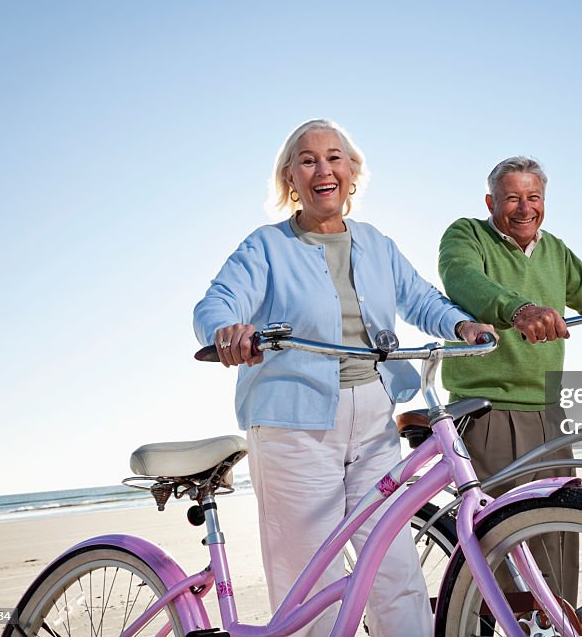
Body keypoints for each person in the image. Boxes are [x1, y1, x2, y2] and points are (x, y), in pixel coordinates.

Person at [194, 118, 494, 637]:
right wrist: (227, 330)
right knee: (309, 580)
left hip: (375, 417)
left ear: (352, 172)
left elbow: (421, 299)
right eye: (307, 160)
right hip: (294, 425)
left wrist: (459, 323)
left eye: (334, 157)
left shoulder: (376, 244)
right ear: (290, 178)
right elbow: (218, 301)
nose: (322, 169)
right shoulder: (265, 246)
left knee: (394, 568)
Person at [437, 155, 582, 598]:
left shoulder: (554, 251)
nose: (524, 208)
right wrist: (519, 310)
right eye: (512, 198)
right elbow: (463, 279)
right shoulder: (466, 234)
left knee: (560, 532)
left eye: (534, 198)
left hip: (549, 410)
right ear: (491, 201)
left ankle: (557, 624)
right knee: (505, 539)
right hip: (488, 409)